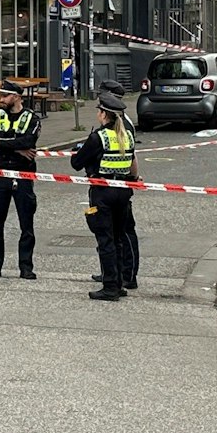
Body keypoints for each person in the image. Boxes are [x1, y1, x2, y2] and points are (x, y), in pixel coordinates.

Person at [71, 91, 137, 301]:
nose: (98, 114)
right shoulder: (126, 135)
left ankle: (109, 287)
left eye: (99, 111)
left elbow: (76, 163)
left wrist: (79, 151)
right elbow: (133, 164)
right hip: (123, 191)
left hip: (103, 192)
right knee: (118, 239)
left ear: (103, 114)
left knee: (106, 240)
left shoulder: (98, 137)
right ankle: (118, 284)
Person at [0, 80, 40, 280]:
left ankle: (26, 267)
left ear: (16, 97)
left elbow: (29, 141)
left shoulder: (32, 118)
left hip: (23, 175)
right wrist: (16, 148)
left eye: (5, 96)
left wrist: (3, 143)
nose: (1, 99)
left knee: (27, 223)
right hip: (0, 174)